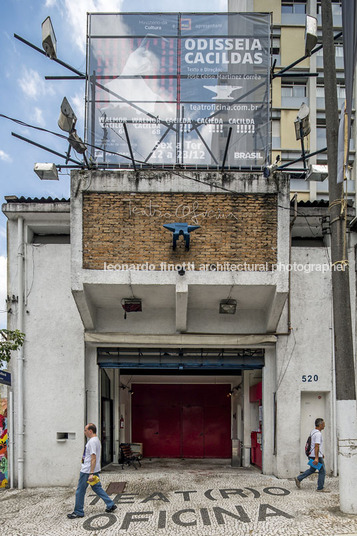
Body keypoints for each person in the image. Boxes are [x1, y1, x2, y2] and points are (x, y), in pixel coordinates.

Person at [67, 423, 117, 519]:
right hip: (93, 469)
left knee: (80, 491)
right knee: (97, 488)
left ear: (90, 431)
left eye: (85, 430)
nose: (84, 432)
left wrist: (91, 473)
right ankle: (110, 504)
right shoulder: (95, 440)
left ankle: (78, 511)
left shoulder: (92, 442)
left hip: (87, 471)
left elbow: (93, 458)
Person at [295, 418, 330, 492]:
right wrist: (317, 458)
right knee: (322, 471)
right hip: (315, 456)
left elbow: (314, 446)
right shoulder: (318, 434)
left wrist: (321, 453)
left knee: (312, 469)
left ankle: (299, 478)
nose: (324, 425)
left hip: (312, 454)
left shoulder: (313, 432)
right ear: (320, 425)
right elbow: (316, 446)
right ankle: (320, 488)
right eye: (323, 424)